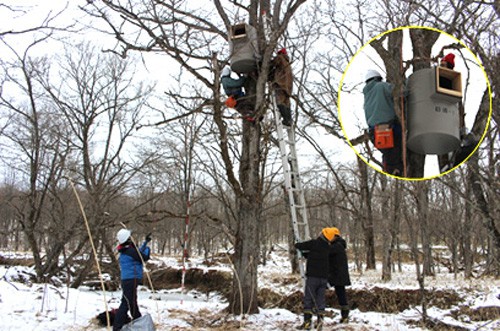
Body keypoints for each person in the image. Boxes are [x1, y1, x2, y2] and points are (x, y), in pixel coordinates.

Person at [363, 69, 404, 175]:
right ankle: (396, 171)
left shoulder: (367, 94)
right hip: (389, 128)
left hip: (374, 133)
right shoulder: (381, 86)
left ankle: (391, 170)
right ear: (378, 79)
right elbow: (400, 91)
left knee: (388, 155)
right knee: (397, 153)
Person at [294, 228, 337, 330]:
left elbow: (299, 246)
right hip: (323, 279)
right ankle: (320, 322)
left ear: (322, 234)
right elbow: (314, 255)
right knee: (320, 300)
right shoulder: (328, 247)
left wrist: (297, 244)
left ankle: (307, 323)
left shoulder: (313, 243)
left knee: (308, 299)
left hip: (313, 277)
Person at [113, 229, 151, 331]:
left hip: (127, 279)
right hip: (131, 279)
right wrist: (147, 248)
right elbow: (144, 257)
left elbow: (137, 253)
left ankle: (137, 320)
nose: (132, 238)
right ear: (128, 239)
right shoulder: (130, 251)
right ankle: (117, 327)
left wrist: (145, 242)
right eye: (130, 237)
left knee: (131, 301)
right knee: (126, 303)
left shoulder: (126, 250)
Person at [327, 227, 351, 324]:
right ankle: (345, 315)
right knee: (341, 294)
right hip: (337, 274)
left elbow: (324, 253)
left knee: (318, 289)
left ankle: (317, 310)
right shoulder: (338, 245)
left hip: (337, 274)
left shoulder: (336, 246)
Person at [270, 48, 293, 126]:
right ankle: (289, 120)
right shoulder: (287, 64)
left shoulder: (280, 58)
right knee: (286, 103)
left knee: (279, 102)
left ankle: (286, 120)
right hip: (288, 87)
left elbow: (273, 63)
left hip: (280, 84)